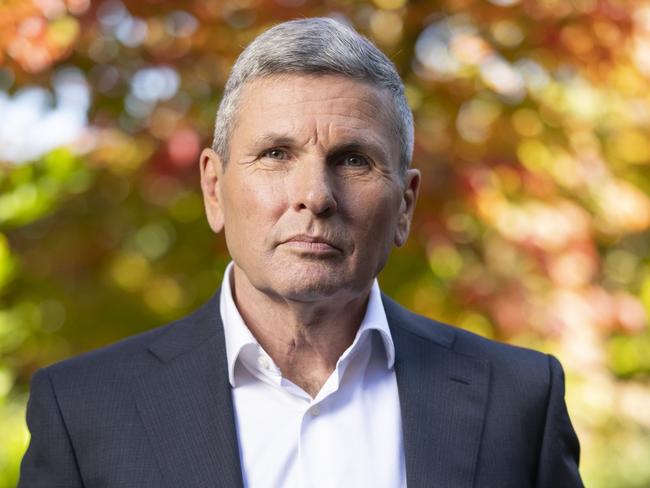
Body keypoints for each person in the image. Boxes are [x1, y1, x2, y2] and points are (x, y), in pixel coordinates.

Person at [18, 17, 583, 488]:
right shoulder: (82, 411)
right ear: (214, 189)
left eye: (354, 160)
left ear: (405, 204)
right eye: (275, 154)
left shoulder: (519, 401)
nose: (314, 195)